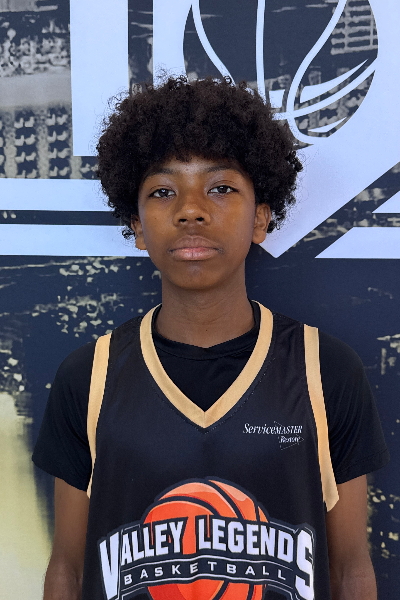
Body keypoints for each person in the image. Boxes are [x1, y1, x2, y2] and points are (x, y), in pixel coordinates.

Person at [33, 76, 389, 600]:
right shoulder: (88, 377)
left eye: (221, 188)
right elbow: (67, 570)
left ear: (261, 218)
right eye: (163, 191)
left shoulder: (325, 369)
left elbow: (350, 572)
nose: (191, 209)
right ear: (137, 225)